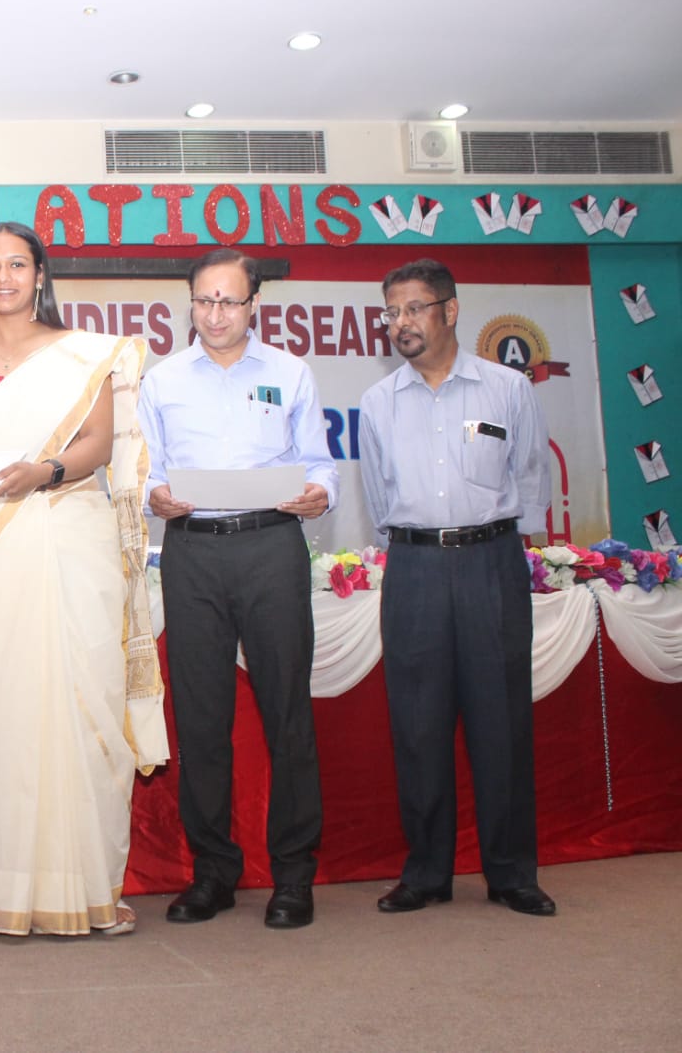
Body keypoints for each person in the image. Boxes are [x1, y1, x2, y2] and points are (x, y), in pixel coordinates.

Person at [0, 221, 166, 937]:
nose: (3, 277)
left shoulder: (82, 355)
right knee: (2, 707)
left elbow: (97, 445)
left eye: (17, 264)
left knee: (82, 699)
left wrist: (45, 470)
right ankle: (1, 888)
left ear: (40, 274)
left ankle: (86, 886)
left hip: (70, 532)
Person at [138, 248, 338, 929]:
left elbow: (319, 462)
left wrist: (320, 492)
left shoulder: (289, 372)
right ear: (190, 303)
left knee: (287, 712)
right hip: (193, 551)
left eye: (228, 301)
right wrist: (154, 495)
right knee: (201, 718)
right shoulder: (163, 380)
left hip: (271, 546)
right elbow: (146, 469)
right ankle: (213, 873)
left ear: (254, 305)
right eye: (204, 300)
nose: (215, 314)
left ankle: (293, 875)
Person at [359, 258, 555, 916]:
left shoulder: (506, 388)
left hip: (490, 563)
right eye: (391, 312)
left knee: (501, 721)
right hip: (414, 568)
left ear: (450, 310)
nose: (401, 323)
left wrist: (503, 548)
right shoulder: (377, 403)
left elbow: (529, 477)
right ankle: (426, 873)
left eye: (413, 308)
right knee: (418, 725)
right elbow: (378, 494)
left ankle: (512, 873)